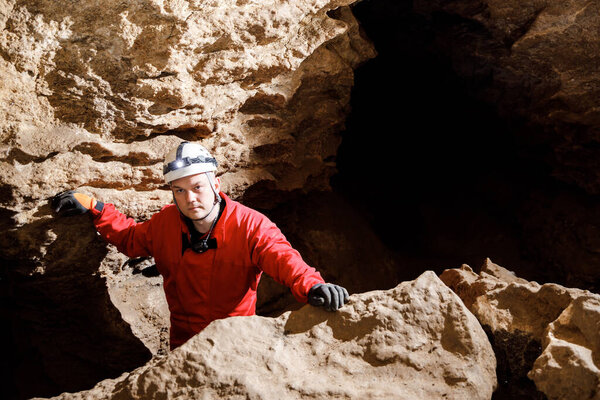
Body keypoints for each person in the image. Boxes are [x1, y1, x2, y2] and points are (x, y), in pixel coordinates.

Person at [52, 141, 349, 349]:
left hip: (235, 341)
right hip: (183, 345)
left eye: (197, 187)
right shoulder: (166, 224)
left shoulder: (250, 225)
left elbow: (282, 258)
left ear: (215, 185)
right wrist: (96, 208)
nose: (189, 199)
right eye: (179, 191)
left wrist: (312, 286)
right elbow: (131, 239)